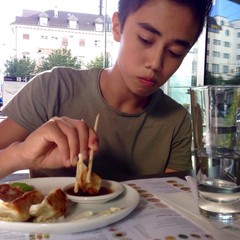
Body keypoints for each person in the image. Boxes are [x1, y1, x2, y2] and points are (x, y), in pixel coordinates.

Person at [0, 0, 213, 180]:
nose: (156, 63)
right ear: (117, 27)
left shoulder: (176, 121)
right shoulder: (54, 87)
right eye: (145, 40)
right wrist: (20, 155)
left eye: (175, 52)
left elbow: (168, 207)